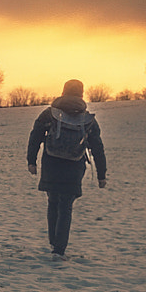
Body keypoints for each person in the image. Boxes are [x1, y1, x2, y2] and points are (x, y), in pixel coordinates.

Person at [25, 79, 108, 257]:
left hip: (51, 163)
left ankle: (54, 241)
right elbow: (98, 148)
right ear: (81, 94)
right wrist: (102, 175)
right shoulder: (88, 120)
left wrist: (31, 161)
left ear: (63, 92)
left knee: (53, 201)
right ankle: (59, 248)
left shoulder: (49, 114)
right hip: (74, 166)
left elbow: (35, 137)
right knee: (66, 206)